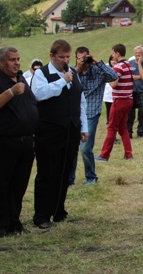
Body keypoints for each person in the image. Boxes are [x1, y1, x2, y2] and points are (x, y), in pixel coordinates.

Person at [0, 46, 38, 237]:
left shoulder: (21, 79)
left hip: (25, 143)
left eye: (18, 59)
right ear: (1, 62)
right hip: (1, 143)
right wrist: (10, 92)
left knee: (19, 184)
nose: (17, 63)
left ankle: (14, 221)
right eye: (12, 59)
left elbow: (31, 105)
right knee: (0, 185)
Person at [31, 39, 88, 229]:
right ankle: (41, 215)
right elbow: (40, 94)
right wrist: (62, 81)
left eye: (67, 57)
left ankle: (59, 211)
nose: (65, 60)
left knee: (65, 171)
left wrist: (83, 126)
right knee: (47, 173)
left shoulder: (72, 73)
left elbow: (81, 101)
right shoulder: (41, 74)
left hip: (70, 129)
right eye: (61, 57)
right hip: (49, 131)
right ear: (52, 56)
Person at [69, 46, 117, 186]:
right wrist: (78, 68)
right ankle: (70, 178)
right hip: (74, 113)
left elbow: (114, 76)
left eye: (86, 57)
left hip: (91, 112)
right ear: (76, 58)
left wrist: (96, 62)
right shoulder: (72, 71)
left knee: (85, 148)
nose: (84, 60)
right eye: (80, 58)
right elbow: (65, 83)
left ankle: (91, 176)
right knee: (72, 148)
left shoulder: (97, 70)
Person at [96, 44, 134, 161]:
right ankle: (128, 153)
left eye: (113, 53)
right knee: (123, 128)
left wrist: (107, 79)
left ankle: (104, 155)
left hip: (119, 100)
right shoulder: (129, 65)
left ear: (117, 53)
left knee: (112, 127)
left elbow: (113, 84)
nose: (112, 55)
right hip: (129, 99)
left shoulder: (118, 67)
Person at [127, 45, 143, 138]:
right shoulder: (130, 63)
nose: (138, 55)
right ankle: (129, 131)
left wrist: (140, 64)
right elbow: (129, 76)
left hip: (142, 90)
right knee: (130, 111)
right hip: (131, 90)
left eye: (140, 53)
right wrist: (139, 76)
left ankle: (141, 130)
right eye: (136, 53)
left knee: (142, 110)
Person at [103, 55, 115, 124]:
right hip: (108, 94)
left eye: (115, 60)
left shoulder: (119, 68)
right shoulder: (107, 68)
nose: (113, 61)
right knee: (109, 109)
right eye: (112, 60)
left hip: (116, 94)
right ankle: (109, 122)